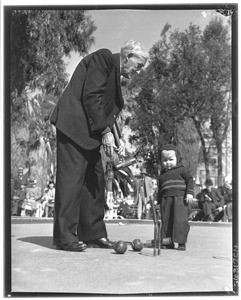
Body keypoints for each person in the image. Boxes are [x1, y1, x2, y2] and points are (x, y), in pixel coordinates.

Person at [50, 40, 148, 251]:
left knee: (96, 182)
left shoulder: (115, 76)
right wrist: (105, 133)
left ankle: (94, 234)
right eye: (139, 66)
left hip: (89, 134)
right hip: (73, 127)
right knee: (71, 182)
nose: (139, 72)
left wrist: (117, 137)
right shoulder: (104, 58)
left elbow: (104, 110)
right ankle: (64, 237)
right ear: (128, 56)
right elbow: (91, 96)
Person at [157, 144, 194, 251]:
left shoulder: (182, 170)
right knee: (166, 221)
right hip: (166, 200)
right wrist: (158, 201)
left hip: (180, 199)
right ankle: (168, 242)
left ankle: (181, 243)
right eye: (164, 160)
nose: (168, 162)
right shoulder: (162, 175)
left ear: (177, 159)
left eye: (171, 159)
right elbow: (160, 189)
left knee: (180, 220)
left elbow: (190, 180)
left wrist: (190, 193)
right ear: (161, 160)